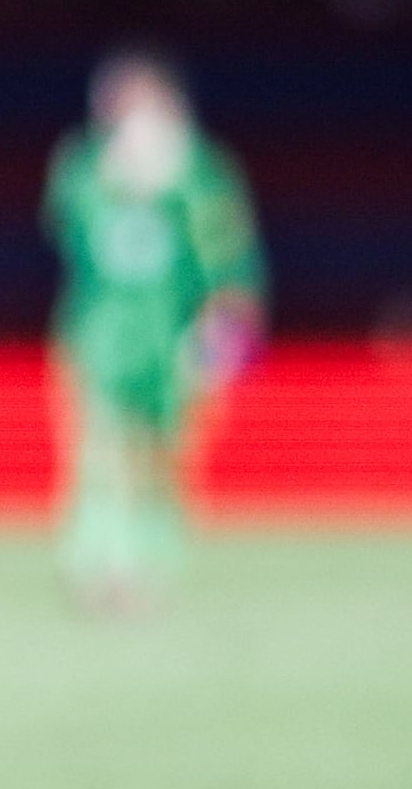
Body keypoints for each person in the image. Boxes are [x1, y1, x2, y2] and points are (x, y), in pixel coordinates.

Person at [46, 51, 263, 608]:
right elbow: (68, 225)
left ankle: (152, 561)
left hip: (172, 338)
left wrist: (226, 337)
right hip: (101, 336)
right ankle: (102, 563)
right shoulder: (86, 168)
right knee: (102, 454)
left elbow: (230, 262)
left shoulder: (201, 173)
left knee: (163, 454)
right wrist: (122, 182)